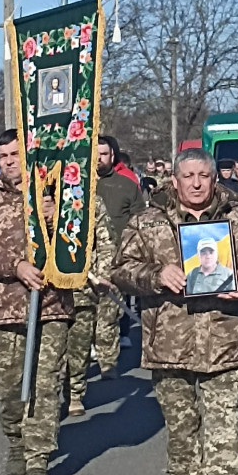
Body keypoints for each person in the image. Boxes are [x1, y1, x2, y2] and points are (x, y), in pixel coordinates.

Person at [112, 148, 238, 475]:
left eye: (203, 176)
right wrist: (157, 275)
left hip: (225, 337)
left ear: (214, 178)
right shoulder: (148, 223)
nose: (196, 183)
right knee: (181, 423)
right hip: (169, 342)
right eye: (187, 176)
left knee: (223, 422)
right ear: (174, 181)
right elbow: (120, 270)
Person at [0, 130, 74, 475]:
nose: (10, 161)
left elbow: (78, 246)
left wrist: (57, 218)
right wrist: (16, 265)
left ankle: (38, 458)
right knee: (10, 385)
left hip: (52, 304)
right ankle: (15, 440)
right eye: (4, 156)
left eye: (16, 154)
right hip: (5, 308)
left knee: (46, 383)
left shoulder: (54, 197)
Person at [96, 135, 146, 376]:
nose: (98, 159)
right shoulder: (74, 187)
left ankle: (108, 361)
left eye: (103, 154)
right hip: (82, 260)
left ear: (112, 156)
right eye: (94, 154)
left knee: (110, 310)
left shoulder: (126, 186)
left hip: (115, 256)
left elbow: (140, 221)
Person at [65, 195, 117, 416]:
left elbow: (105, 239)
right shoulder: (34, 196)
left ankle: (75, 392)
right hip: (44, 288)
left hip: (83, 284)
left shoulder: (87, 198)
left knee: (79, 343)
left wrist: (104, 274)